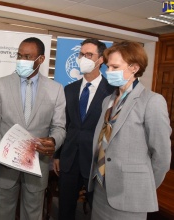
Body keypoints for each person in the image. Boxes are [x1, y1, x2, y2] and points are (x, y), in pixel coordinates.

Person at [88, 41, 172, 219]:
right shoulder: (108, 101)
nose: (108, 71)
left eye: (114, 67)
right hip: (101, 187)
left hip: (130, 195)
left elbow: (162, 157)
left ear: (134, 68)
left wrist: (142, 186)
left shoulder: (152, 101)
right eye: (108, 66)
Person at [0, 37, 66, 220]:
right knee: (3, 214)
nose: (22, 61)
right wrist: (8, 150)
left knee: (33, 214)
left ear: (41, 59)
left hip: (37, 165)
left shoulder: (56, 89)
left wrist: (53, 141)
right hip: (6, 166)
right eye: (19, 55)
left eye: (28, 57)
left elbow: (59, 127)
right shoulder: (1, 85)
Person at [53, 38, 114, 219]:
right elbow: (64, 124)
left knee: (97, 210)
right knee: (65, 208)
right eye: (81, 54)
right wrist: (57, 154)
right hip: (69, 158)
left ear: (101, 59)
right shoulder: (69, 89)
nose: (83, 58)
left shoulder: (112, 91)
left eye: (89, 55)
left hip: (95, 161)